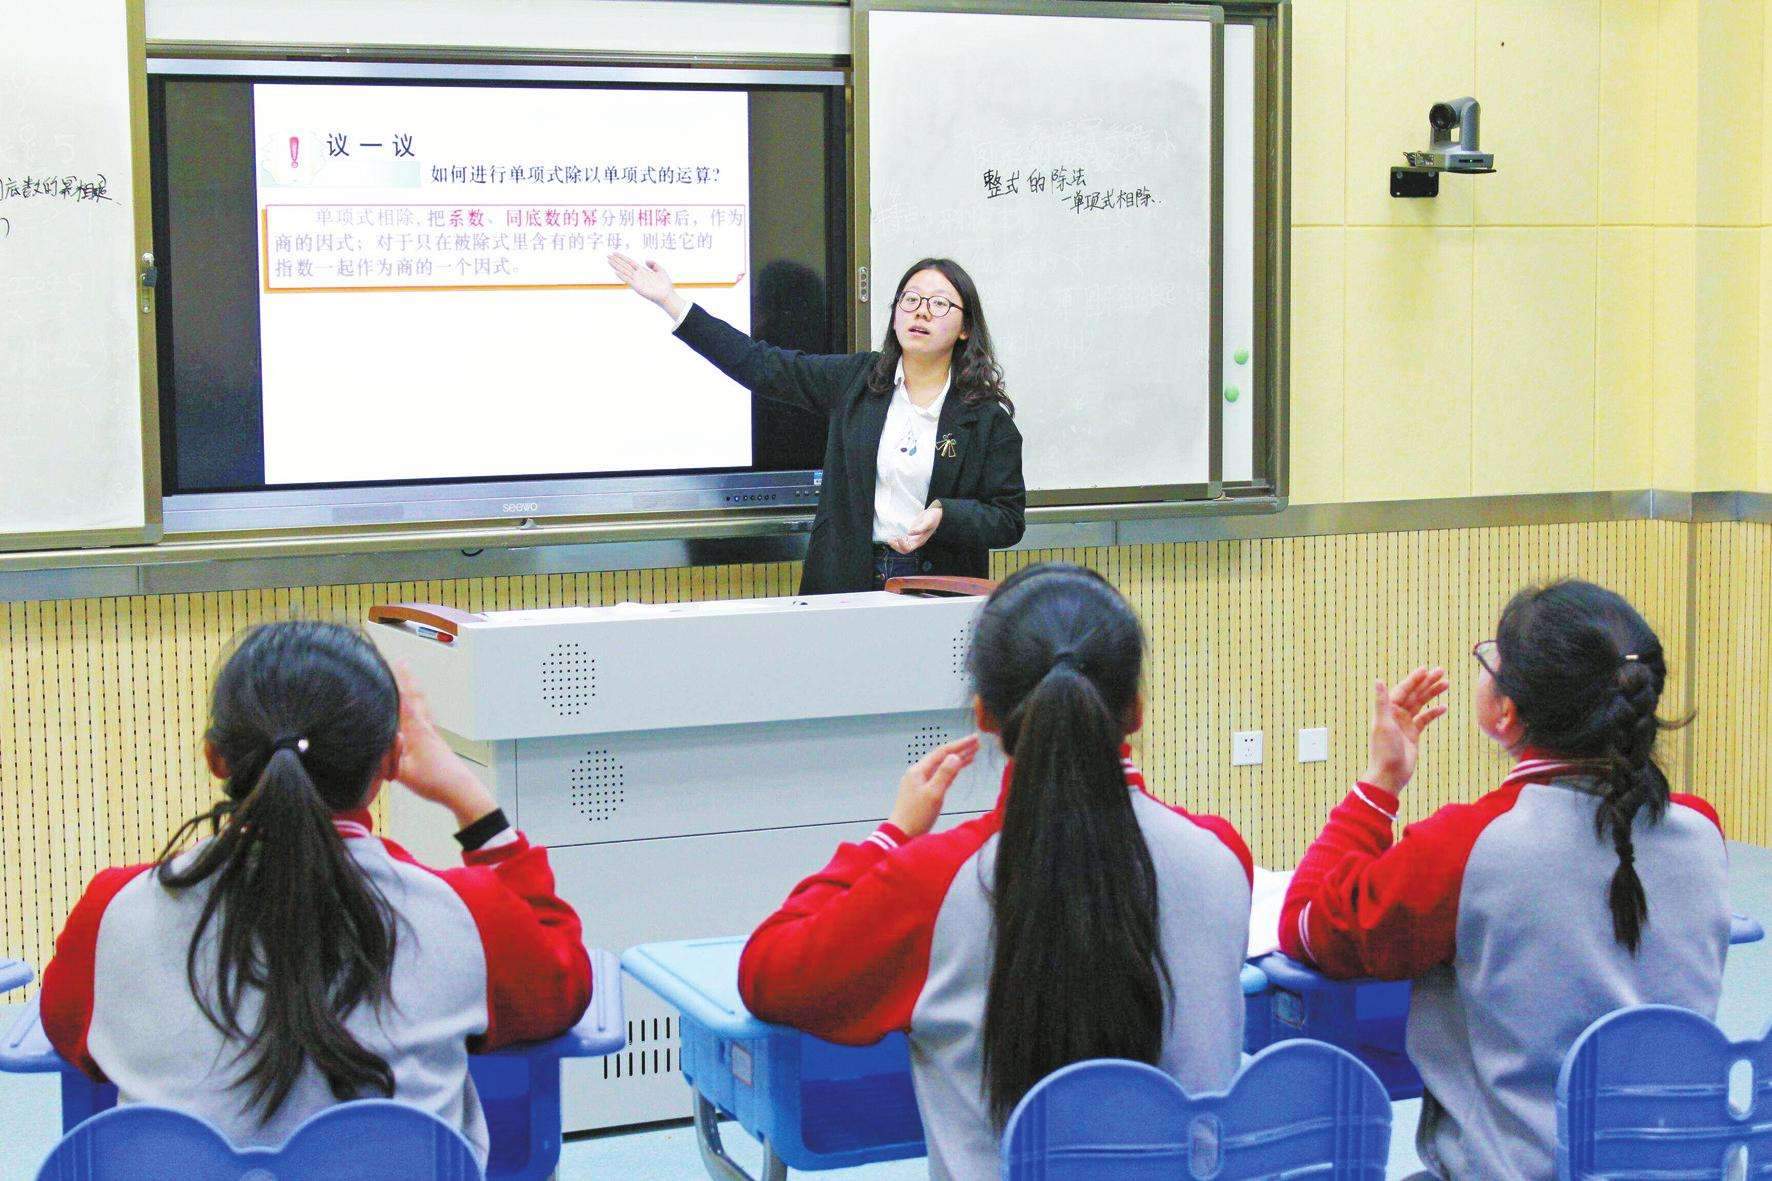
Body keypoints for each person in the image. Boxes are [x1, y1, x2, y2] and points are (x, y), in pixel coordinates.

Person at [737, 563, 1252, 1179]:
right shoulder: (1223, 856)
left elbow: (770, 974)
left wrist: (890, 837)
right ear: (1135, 711)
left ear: (983, 714)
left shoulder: (933, 881)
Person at [39, 621, 591, 1165]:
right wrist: (473, 804)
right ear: (392, 762)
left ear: (216, 759)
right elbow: (561, 985)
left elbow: (71, 1035)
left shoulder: (115, 911)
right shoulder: (466, 913)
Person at [1280, 580, 1730, 1181]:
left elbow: (1309, 924)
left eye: (1491, 659)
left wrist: (1380, 782)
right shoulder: (1703, 832)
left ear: (1505, 713)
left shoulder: (1464, 848)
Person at [609, 252, 1025, 594]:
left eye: (939, 304)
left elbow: (1008, 519)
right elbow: (761, 365)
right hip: (848, 582)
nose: (921, 313)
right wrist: (672, 302)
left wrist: (944, 515)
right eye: (910, 300)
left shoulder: (984, 416)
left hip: (938, 586)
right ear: (895, 314)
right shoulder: (859, 381)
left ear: (966, 327)